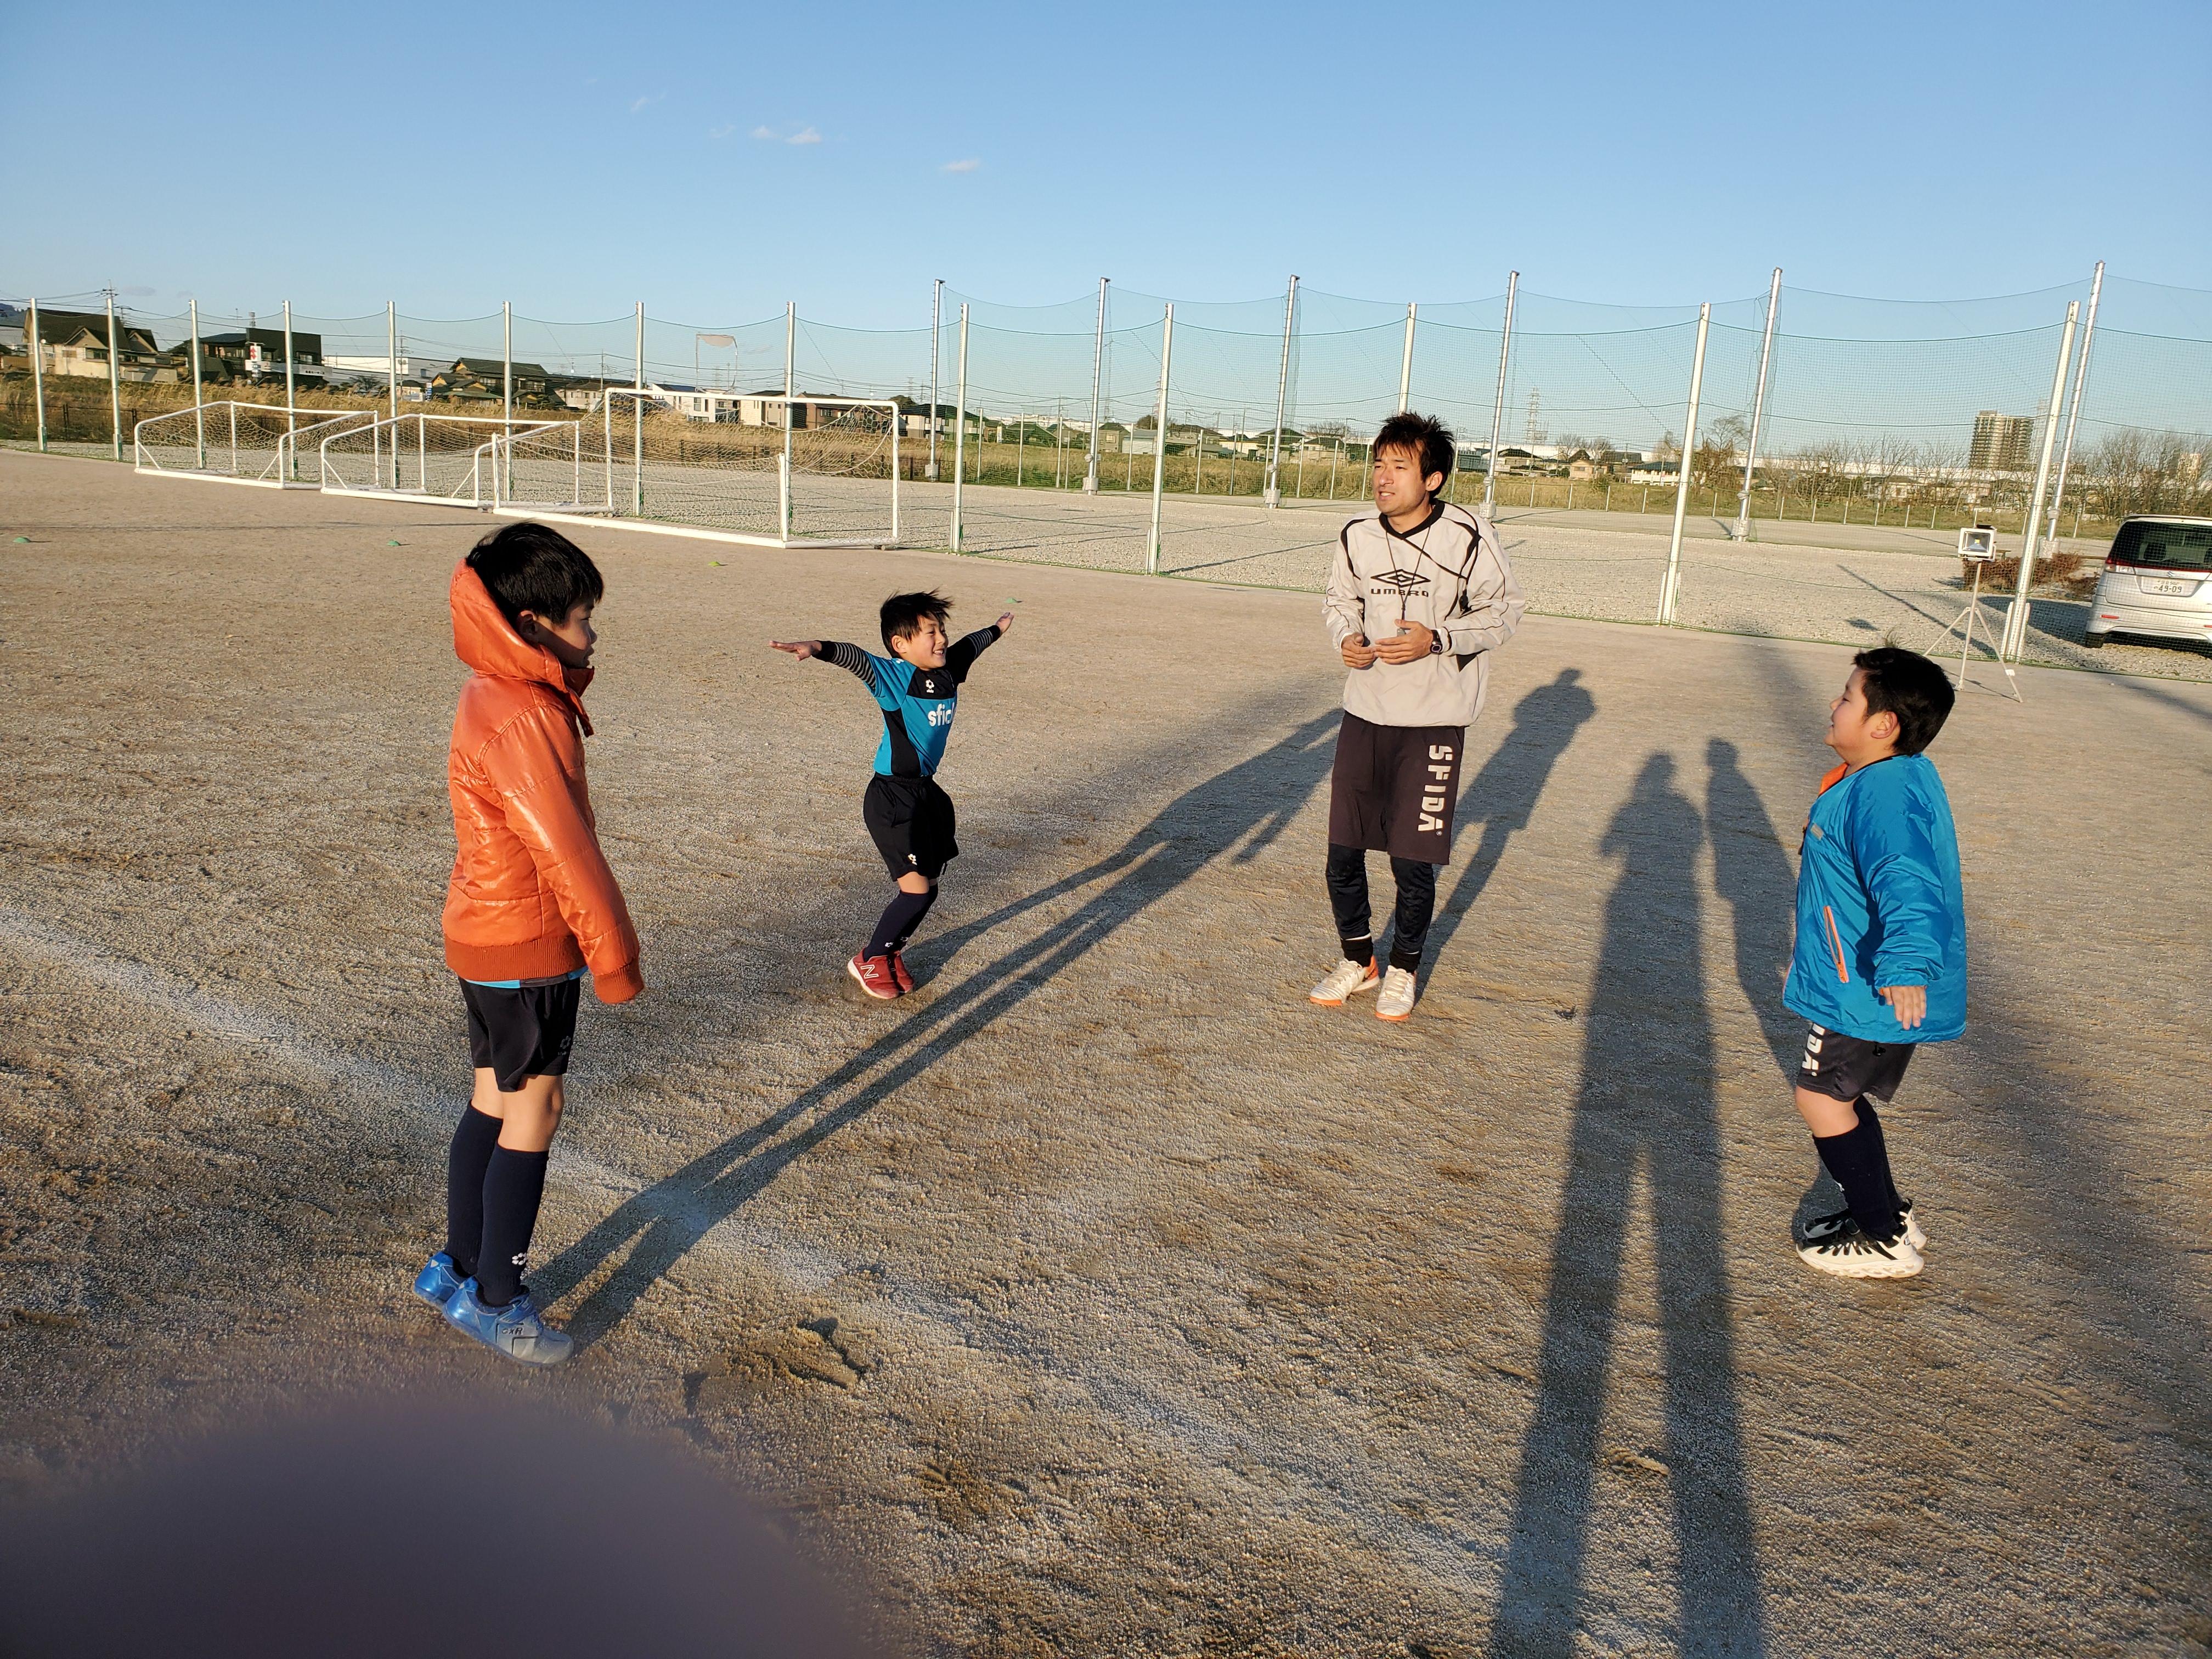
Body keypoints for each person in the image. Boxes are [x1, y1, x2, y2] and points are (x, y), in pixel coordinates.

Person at [412, 523, 643, 1364]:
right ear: (535, 622)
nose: (593, 633)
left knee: (491, 1099)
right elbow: (564, 849)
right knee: (533, 1111)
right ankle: (497, 1301)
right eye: (583, 617)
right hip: (529, 942)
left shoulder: (491, 687)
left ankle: (456, 1269)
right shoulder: (526, 712)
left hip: (486, 935)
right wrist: (613, 957)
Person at [1312, 411, 1524, 1021]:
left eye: (1398, 466)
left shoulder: (1467, 535)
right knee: (1343, 853)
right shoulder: (1356, 532)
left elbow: (1505, 611)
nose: (1383, 476)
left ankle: (1403, 966)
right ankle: (1359, 958)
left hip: (1433, 719)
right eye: (1378, 463)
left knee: (1412, 859)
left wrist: (1439, 639)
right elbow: (1339, 600)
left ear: (1431, 479)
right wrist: (1346, 637)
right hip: (1366, 712)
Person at [1785, 646, 1965, 1279]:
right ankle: (1888, 1213)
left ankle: (1883, 1236)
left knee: (1822, 1099)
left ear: (1882, 725)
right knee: (1842, 1095)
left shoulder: (1884, 791)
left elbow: (1906, 878)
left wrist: (1907, 963)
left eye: (1847, 697)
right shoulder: (1889, 776)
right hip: (1852, 978)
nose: (1834, 706)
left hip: (1863, 986)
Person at [771, 591, 1012, 1000]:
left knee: (930, 886)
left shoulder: (950, 667)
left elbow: (972, 645)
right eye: (930, 633)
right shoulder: (896, 677)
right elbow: (859, 660)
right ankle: (871, 957)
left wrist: (997, 629)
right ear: (901, 644)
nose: (941, 639)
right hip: (891, 800)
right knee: (916, 890)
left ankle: (890, 952)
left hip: (926, 796)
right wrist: (818, 648)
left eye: (941, 630)